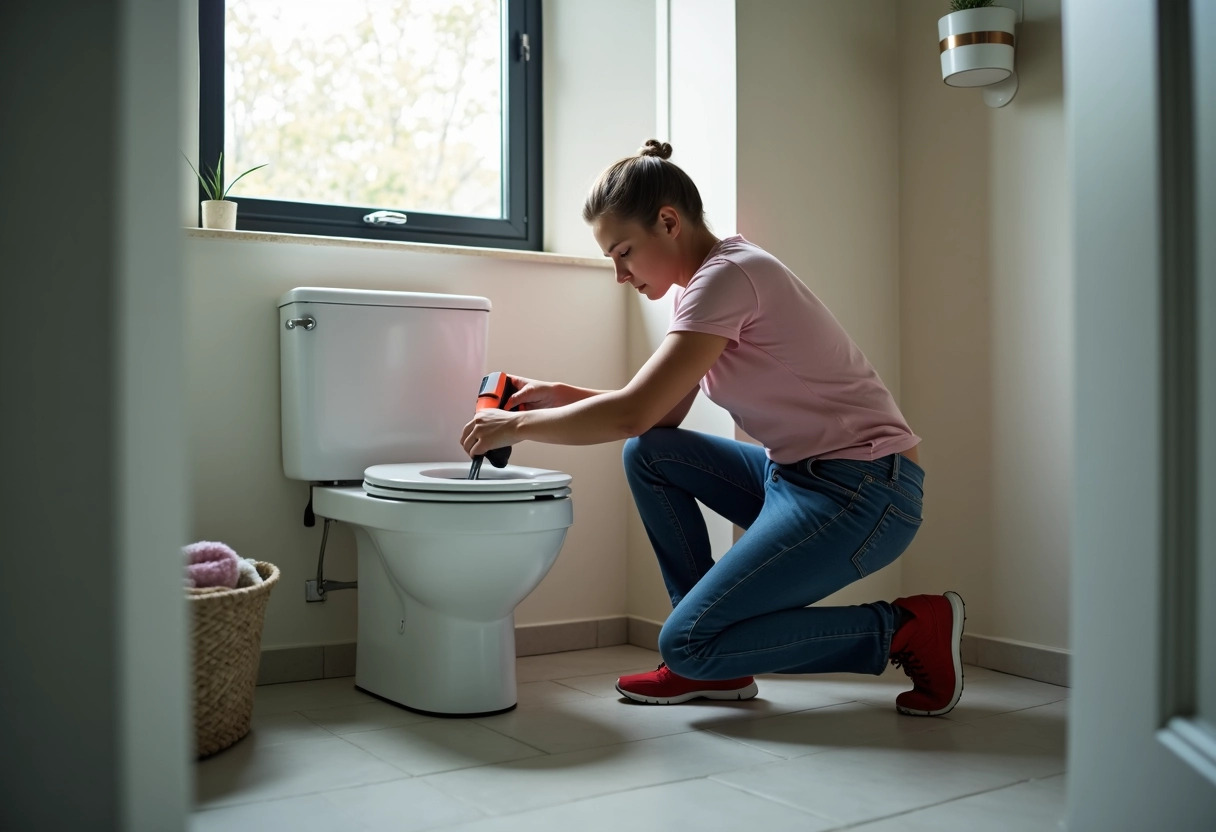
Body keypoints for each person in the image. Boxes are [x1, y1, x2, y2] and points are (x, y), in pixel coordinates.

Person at [461, 139, 965, 716]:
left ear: (668, 222)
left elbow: (634, 410)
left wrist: (515, 427)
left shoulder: (729, 278)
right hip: (797, 480)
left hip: (867, 492)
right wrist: (556, 394)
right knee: (649, 453)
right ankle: (712, 669)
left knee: (687, 640)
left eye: (623, 253)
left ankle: (905, 629)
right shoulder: (703, 289)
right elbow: (656, 418)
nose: (620, 276)